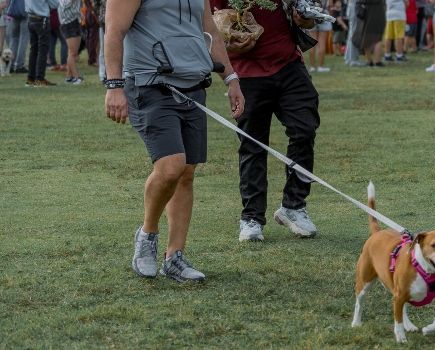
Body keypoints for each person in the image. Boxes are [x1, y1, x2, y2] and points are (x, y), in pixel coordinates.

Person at [104, 0, 244, 281]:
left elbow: (211, 33)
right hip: (150, 84)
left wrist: (231, 78)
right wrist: (114, 86)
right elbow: (114, 31)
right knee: (171, 167)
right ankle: (147, 235)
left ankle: (174, 257)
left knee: (186, 173)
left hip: (193, 84)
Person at [208, 0, 323, 242]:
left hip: (288, 64)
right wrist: (230, 38)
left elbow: (306, 15)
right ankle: (251, 217)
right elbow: (211, 26)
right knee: (253, 145)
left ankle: (294, 205)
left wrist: (305, 18)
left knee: (304, 129)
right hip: (246, 73)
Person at [25, 0, 58, 86]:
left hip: (30, 18)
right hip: (41, 19)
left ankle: (31, 78)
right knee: (42, 51)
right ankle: (39, 78)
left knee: (33, 50)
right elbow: (55, 4)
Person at [353, 0, 386, 65]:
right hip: (380, 15)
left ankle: (369, 61)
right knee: (378, 39)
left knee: (367, 38)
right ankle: (377, 61)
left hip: (368, 15)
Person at [58, 0, 83, 84]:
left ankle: (69, 76)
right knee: (73, 53)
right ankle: (76, 77)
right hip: (69, 23)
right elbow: (65, 4)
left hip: (73, 21)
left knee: (71, 52)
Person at [308, 0, 332, 72]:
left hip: (312, 16)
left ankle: (312, 66)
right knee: (322, 43)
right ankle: (320, 67)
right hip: (323, 16)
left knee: (312, 43)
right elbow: (329, 5)